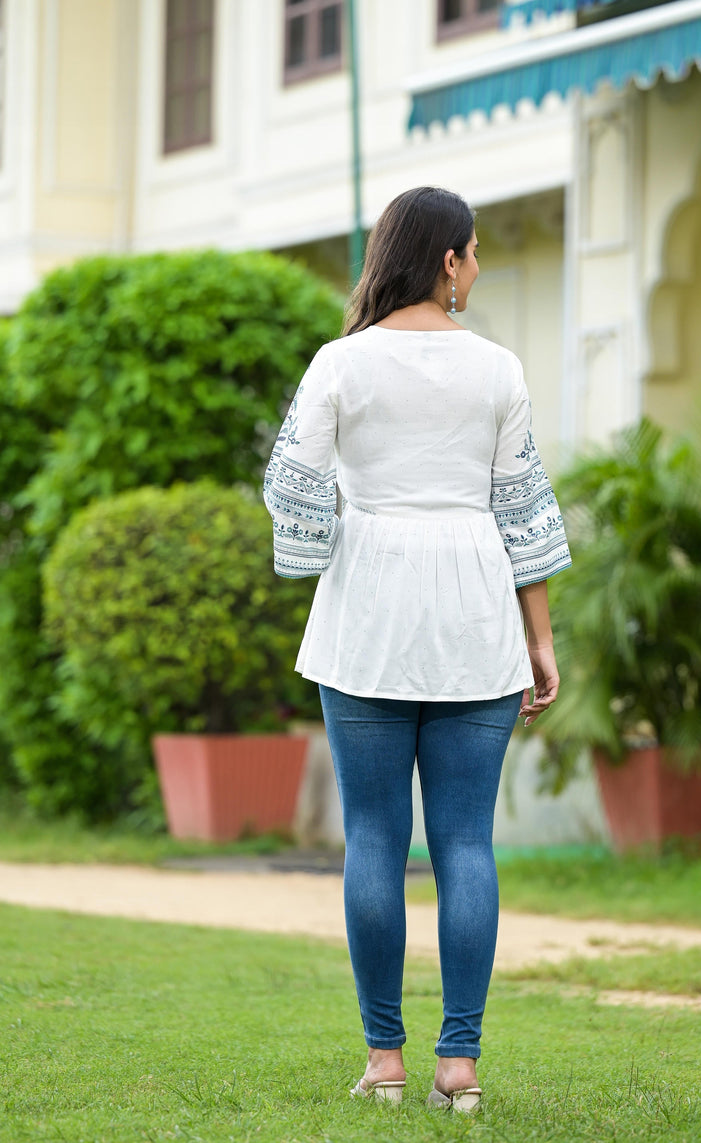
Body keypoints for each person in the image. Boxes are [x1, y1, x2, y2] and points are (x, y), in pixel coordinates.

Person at [263, 186, 571, 1112]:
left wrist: (326, 545)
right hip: (476, 608)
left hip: (367, 612)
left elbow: (291, 483)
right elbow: (523, 510)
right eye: (473, 252)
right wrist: (541, 639)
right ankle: (459, 1067)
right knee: (466, 841)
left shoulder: (340, 362)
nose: (477, 267)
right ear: (447, 260)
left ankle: (385, 1062)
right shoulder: (498, 369)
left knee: (373, 837)